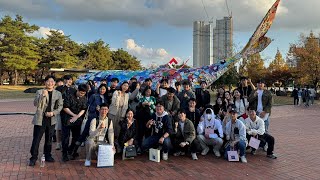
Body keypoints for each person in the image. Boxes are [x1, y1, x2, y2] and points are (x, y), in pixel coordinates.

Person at [29, 75, 63, 166]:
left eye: (52, 81)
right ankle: (33, 157)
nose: (50, 83)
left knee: (49, 139)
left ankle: (47, 155)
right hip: (40, 118)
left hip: (51, 119)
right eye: (48, 81)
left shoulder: (58, 93)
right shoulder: (39, 92)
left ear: (54, 83)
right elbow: (36, 104)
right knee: (36, 139)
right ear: (45, 82)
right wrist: (43, 96)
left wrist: (53, 113)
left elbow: (60, 106)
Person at [61, 84, 88, 161]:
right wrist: (73, 115)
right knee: (65, 137)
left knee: (76, 137)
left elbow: (84, 108)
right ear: (78, 90)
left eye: (84, 93)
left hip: (77, 119)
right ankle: (64, 154)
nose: (82, 94)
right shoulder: (69, 95)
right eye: (81, 93)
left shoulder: (84, 98)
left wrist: (77, 116)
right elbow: (65, 107)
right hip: (67, 118)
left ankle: (72, 150)